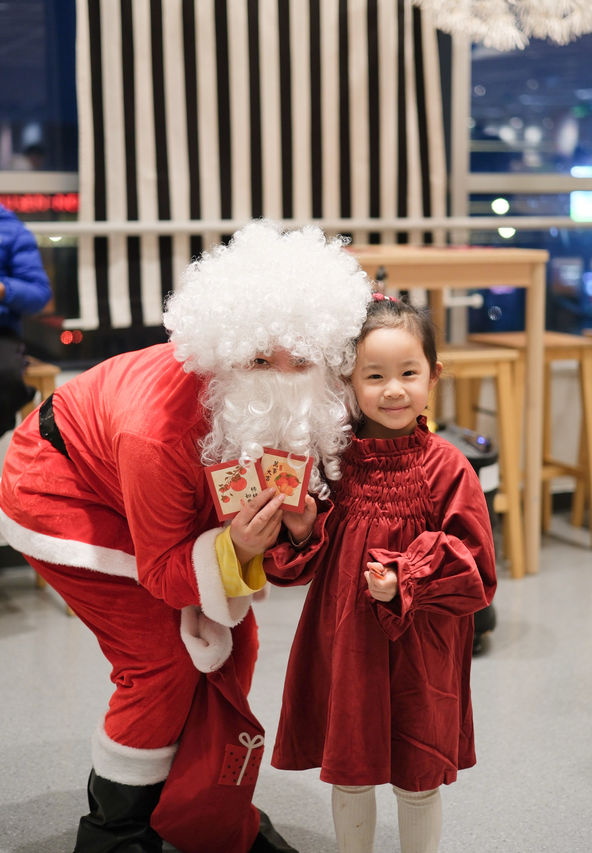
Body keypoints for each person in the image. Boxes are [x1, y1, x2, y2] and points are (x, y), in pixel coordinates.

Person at [0, 219, 372, 853]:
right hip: (62, 489)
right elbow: (166, 572)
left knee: (240, 644)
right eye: (258, 356)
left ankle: (203, 810)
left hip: (157, 493)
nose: (280, 375)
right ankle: (115, 834)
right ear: (224, 348)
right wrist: (242, 550)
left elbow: (285, 555)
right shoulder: (159, 429)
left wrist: (294, 538)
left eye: (300, 356)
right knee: (160, 661)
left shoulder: (315, 404)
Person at [262, 295, 497, 853]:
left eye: (408, 373)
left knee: (416, 771)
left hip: (422, 646)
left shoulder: (448, 466)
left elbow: (477, 567)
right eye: (375, 376)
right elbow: (298, 566)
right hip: (346, 642)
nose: (393, 389)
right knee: (351, 767)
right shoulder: (333, 461)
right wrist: (299, 528)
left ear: (433, 376)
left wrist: (406, 578)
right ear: (348, 380)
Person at [0, 202, 52, 436]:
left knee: (6, 376)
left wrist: (4, 289)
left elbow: (39, 294)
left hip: (2, 331)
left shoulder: (11, 230)